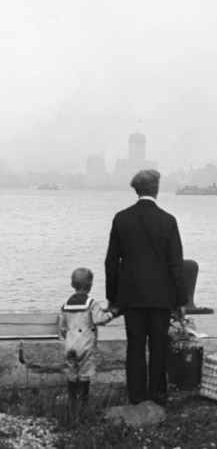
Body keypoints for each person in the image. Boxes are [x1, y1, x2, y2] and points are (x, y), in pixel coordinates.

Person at [104, 169, 188, 406]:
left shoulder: (121, 219)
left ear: (137, 190)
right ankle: (158, 399)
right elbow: (176, 265)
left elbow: (111, 263)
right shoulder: (168, 220)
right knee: (158, 349)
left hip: (130, 297)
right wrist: (181, 300)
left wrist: (113, 297)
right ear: (156, 189)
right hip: (161, 297)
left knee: (135, 348)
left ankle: (136, 399)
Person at [58, 267, 116, 406]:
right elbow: (99, 319)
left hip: (70, 345)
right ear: (90, 285)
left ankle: (73, 404)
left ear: (73, 285)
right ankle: (83, 406)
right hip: (85, 346)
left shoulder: (66, 305)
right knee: (84, 375)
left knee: (72, 374)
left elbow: (62, 328)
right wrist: (113, 313)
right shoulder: (91, 303)